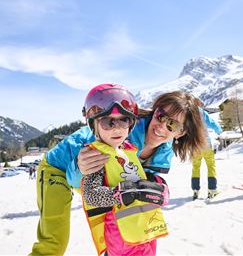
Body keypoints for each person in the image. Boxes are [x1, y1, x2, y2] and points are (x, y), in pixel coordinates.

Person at [29, 85, 206, 256]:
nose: (161, 127)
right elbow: (77, 182)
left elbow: (142, 183)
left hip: (101, 179)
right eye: (160, 116)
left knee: (117, 230)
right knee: (54, 243)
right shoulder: (118, 131)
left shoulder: (163, 152)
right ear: (155, 112)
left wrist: (159, 190)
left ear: (181, 133)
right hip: (59, 169)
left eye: (172, 125)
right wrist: (83, 168)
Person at [81, 84, 169, 255]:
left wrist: (159, 188)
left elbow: (144, 178)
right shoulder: (97, 156)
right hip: (120, 239)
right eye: (108, 122)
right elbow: (91, 195)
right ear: (94, 125)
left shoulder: (130, 151)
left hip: (147, 232)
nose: (117, 127)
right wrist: (120, 193)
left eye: (124, 120)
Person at [191, 98, 222, 200]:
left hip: (194, 146)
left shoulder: (188, 114)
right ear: (198, 104)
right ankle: (212, 190)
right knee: (211, 166)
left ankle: (195, 190)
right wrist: (219, 131)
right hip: (205, 144)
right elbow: (212, 123)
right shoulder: (202, 112)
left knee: (196, 168)